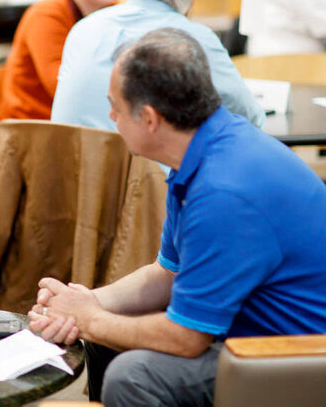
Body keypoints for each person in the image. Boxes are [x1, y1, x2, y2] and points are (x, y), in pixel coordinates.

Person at [29, 28, 326, 407]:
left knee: (132, 376)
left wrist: (91, 319)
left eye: (115, 106)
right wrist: (85, 302)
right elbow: (166, 273)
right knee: (107, 339)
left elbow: (187, 337)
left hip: (297, 357)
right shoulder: (204, 150)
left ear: (149, 119)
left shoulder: (224, 191)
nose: (111, 116)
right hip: (259, 333)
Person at [51, 0, 265, 130]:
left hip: (71, 166)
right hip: (140, 171)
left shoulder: (84, 27)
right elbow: (248, 116)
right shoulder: (193, 37)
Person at [0, 0, 117, 121]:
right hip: (33, 127)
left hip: (83, 121)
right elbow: (63, 89)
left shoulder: (115, 11)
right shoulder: (45, 16)